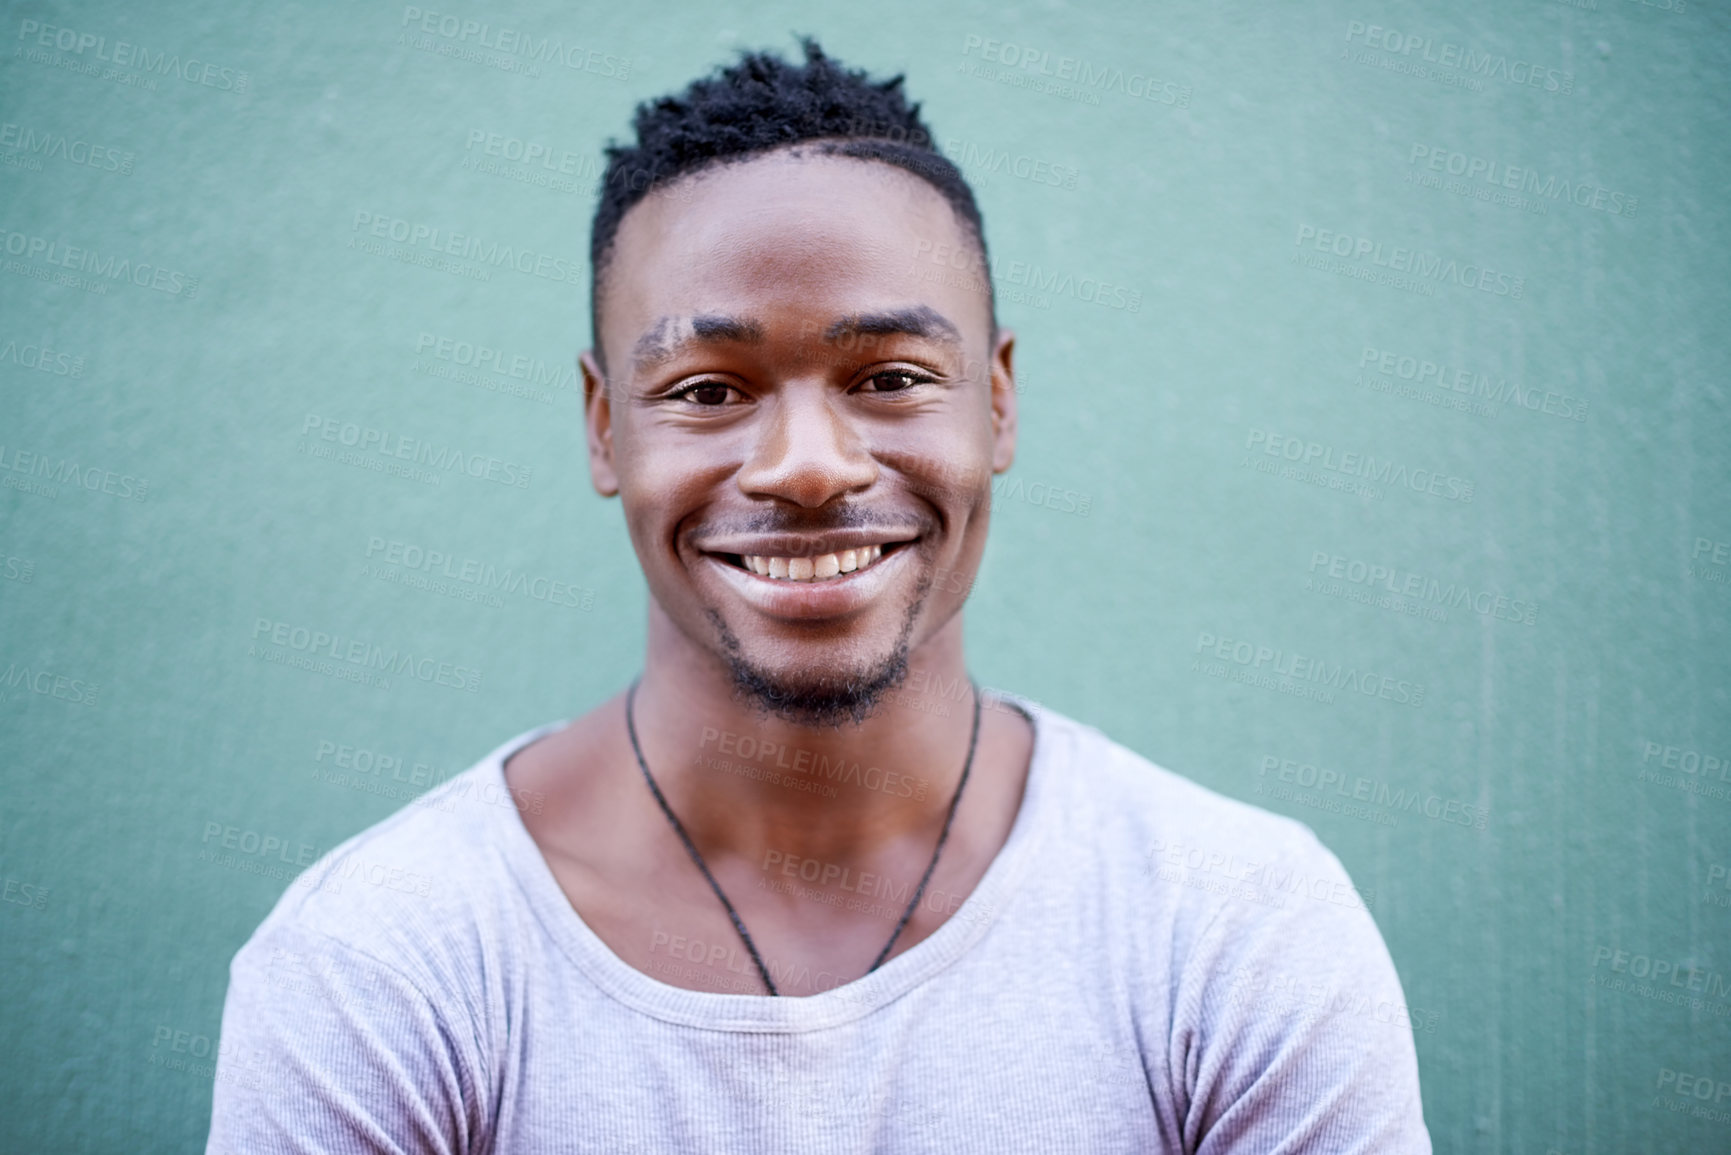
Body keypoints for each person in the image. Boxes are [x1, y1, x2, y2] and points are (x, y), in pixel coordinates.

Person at [207, 39, 1431, 1153]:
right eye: (706, 389)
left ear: (996, 403)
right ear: (602, 429)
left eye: (892, 375)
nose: (806, 466)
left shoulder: (1235, 932)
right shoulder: (382, 966)